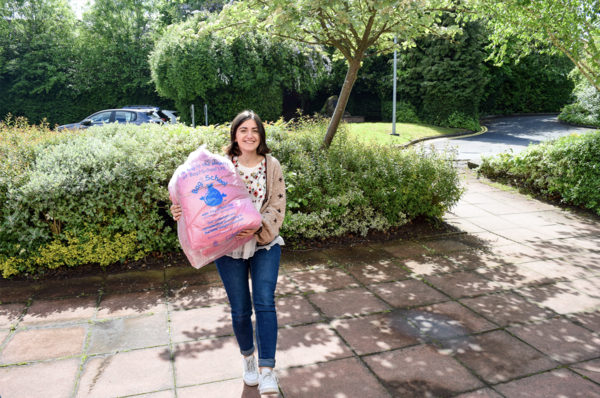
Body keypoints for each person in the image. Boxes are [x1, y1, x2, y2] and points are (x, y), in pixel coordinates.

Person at [170, 110, 286, 395]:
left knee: (264, 303)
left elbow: (277, 205)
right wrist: (180, 210)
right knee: (240, 309)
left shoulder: (271, 165)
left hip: (264, 244)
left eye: (255, 130)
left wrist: (257, 226)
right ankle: (248, 359)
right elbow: (202, 202)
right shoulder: (221, 165)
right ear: (234, 134)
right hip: (228, 247)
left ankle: (267, 369)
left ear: (261, 135)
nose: (249, 135)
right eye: (243, 130)